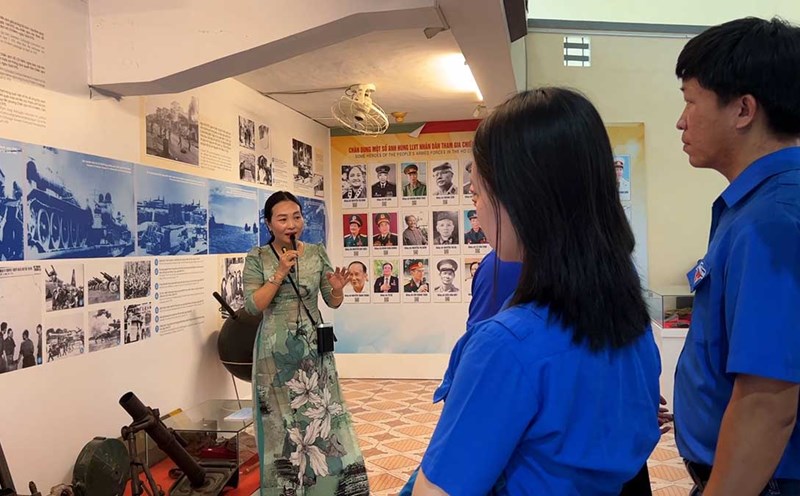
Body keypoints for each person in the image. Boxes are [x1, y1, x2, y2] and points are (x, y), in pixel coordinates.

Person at [411, 88, 661, 495]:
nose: (476, 209)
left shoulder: (506, 344)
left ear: (518, 196)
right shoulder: (634, 325)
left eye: (476, 191)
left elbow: (438, 489)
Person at [672, 17, 800, 496]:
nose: (681, 121)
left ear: (743, 109)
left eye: (690, 102)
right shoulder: (754, 207)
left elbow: (768, 401)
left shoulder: (773, 221)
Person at [243, 191, 369, 495]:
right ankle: (286, 487)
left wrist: (338, 289)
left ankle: (326, 486)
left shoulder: (316, 252)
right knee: (282, 421)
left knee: (323, 414)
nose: (291, 224)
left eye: (296, 217)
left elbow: (331, 300)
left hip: (314, 348)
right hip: (275, 352)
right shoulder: (256, 258)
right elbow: (252, 306)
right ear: (269, 224)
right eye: (282, 218)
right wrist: (279, 273)